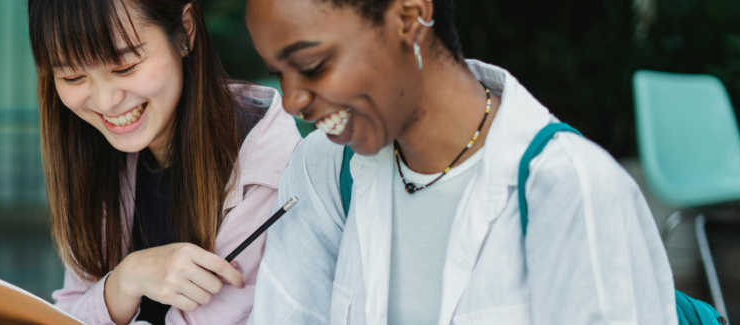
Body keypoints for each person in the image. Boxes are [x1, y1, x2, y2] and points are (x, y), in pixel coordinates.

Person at [0, 0, 300, 324]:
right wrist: (119, 284)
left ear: (184, 31)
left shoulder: (266, 171)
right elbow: (70, 309)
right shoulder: (100, 157)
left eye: (125, 65)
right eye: (72, 76)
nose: (106, 101)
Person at [244, 0, 676, 324]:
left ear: (410, 18)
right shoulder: (323, 169)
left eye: (312, 65)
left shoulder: (572, 190)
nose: (293, 100)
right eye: (279, 72)